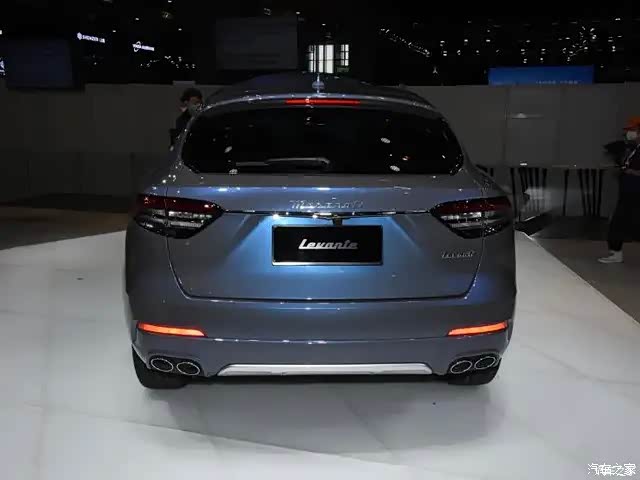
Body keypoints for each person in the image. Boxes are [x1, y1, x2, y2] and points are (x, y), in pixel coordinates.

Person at [598, 117, 640, 263]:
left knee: (624, 223)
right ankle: (615, 252)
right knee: (618, 222)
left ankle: (616, 252)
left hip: (635, 194)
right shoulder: (633, 150)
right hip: (628, 193)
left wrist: (631, 172)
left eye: (633, 130)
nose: (630, 133)